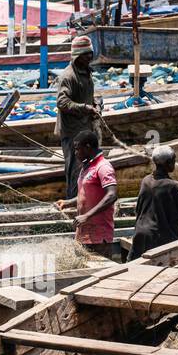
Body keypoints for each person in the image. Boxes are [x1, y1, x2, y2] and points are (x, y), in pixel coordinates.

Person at [56, 129, 121, 262]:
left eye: (77, 149)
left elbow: (112, 195)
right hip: (83, 235)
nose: (75, 153)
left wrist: (87, 216)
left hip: (98, 237)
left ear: (87, 147)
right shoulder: (86, 167)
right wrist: (68, 203)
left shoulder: (103, 167)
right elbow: (85, 193)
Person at [130, 144, 178, 260]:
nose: (175, 162)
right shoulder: (173, 186)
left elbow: (138, 210)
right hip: (160, 241)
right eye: (174, 160)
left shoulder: (146, 181)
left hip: (140, 235)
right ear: (168, 163)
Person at [55, 34, 101, 200]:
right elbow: (62, 102)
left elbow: (87, 95)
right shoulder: (68, 76)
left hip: (85, 129)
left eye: (90, 53)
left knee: (87, 168)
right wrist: (84, 108)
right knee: (76, 170)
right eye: (86, 54)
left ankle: (85, 200)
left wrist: (95, 104)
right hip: (73, 133)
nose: (90, 56)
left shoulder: (86, 72)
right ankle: (73, 203)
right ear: (77, 56)